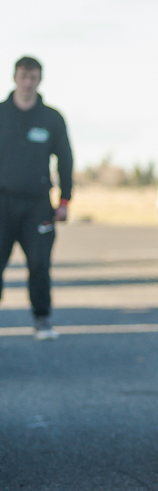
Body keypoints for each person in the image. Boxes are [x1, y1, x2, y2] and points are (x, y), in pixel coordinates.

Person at [0, 56, 73, 340]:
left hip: (38, 205)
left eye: (33, 77)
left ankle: (42, 319)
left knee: (40, 265)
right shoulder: (1, 114)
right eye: (23, 76)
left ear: (39, 80)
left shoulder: (51, 118)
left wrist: (65, 200)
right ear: (14, 77)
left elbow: (65, 160)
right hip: (3, 202)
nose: (28, 83)